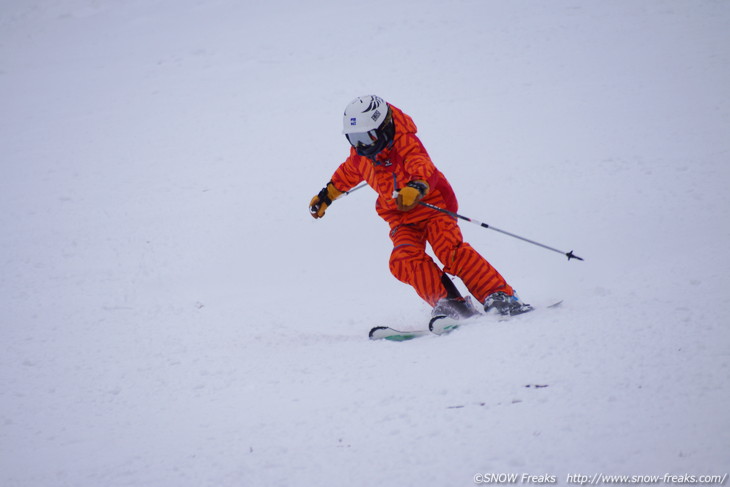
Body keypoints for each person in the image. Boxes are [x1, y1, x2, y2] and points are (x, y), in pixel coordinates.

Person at [309, 95, 532, 321]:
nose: (361, 146)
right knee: (404, 259)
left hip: (433, 206)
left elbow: (421, 164)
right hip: (400, 217)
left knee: (449, 250)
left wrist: (416, 187)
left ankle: (500, 295)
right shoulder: (361, 155)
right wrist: (327, 196)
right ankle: (450, 304)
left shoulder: (405, 142)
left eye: (367, 137)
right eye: (353, 138)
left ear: (383, 128)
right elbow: (347, 173)